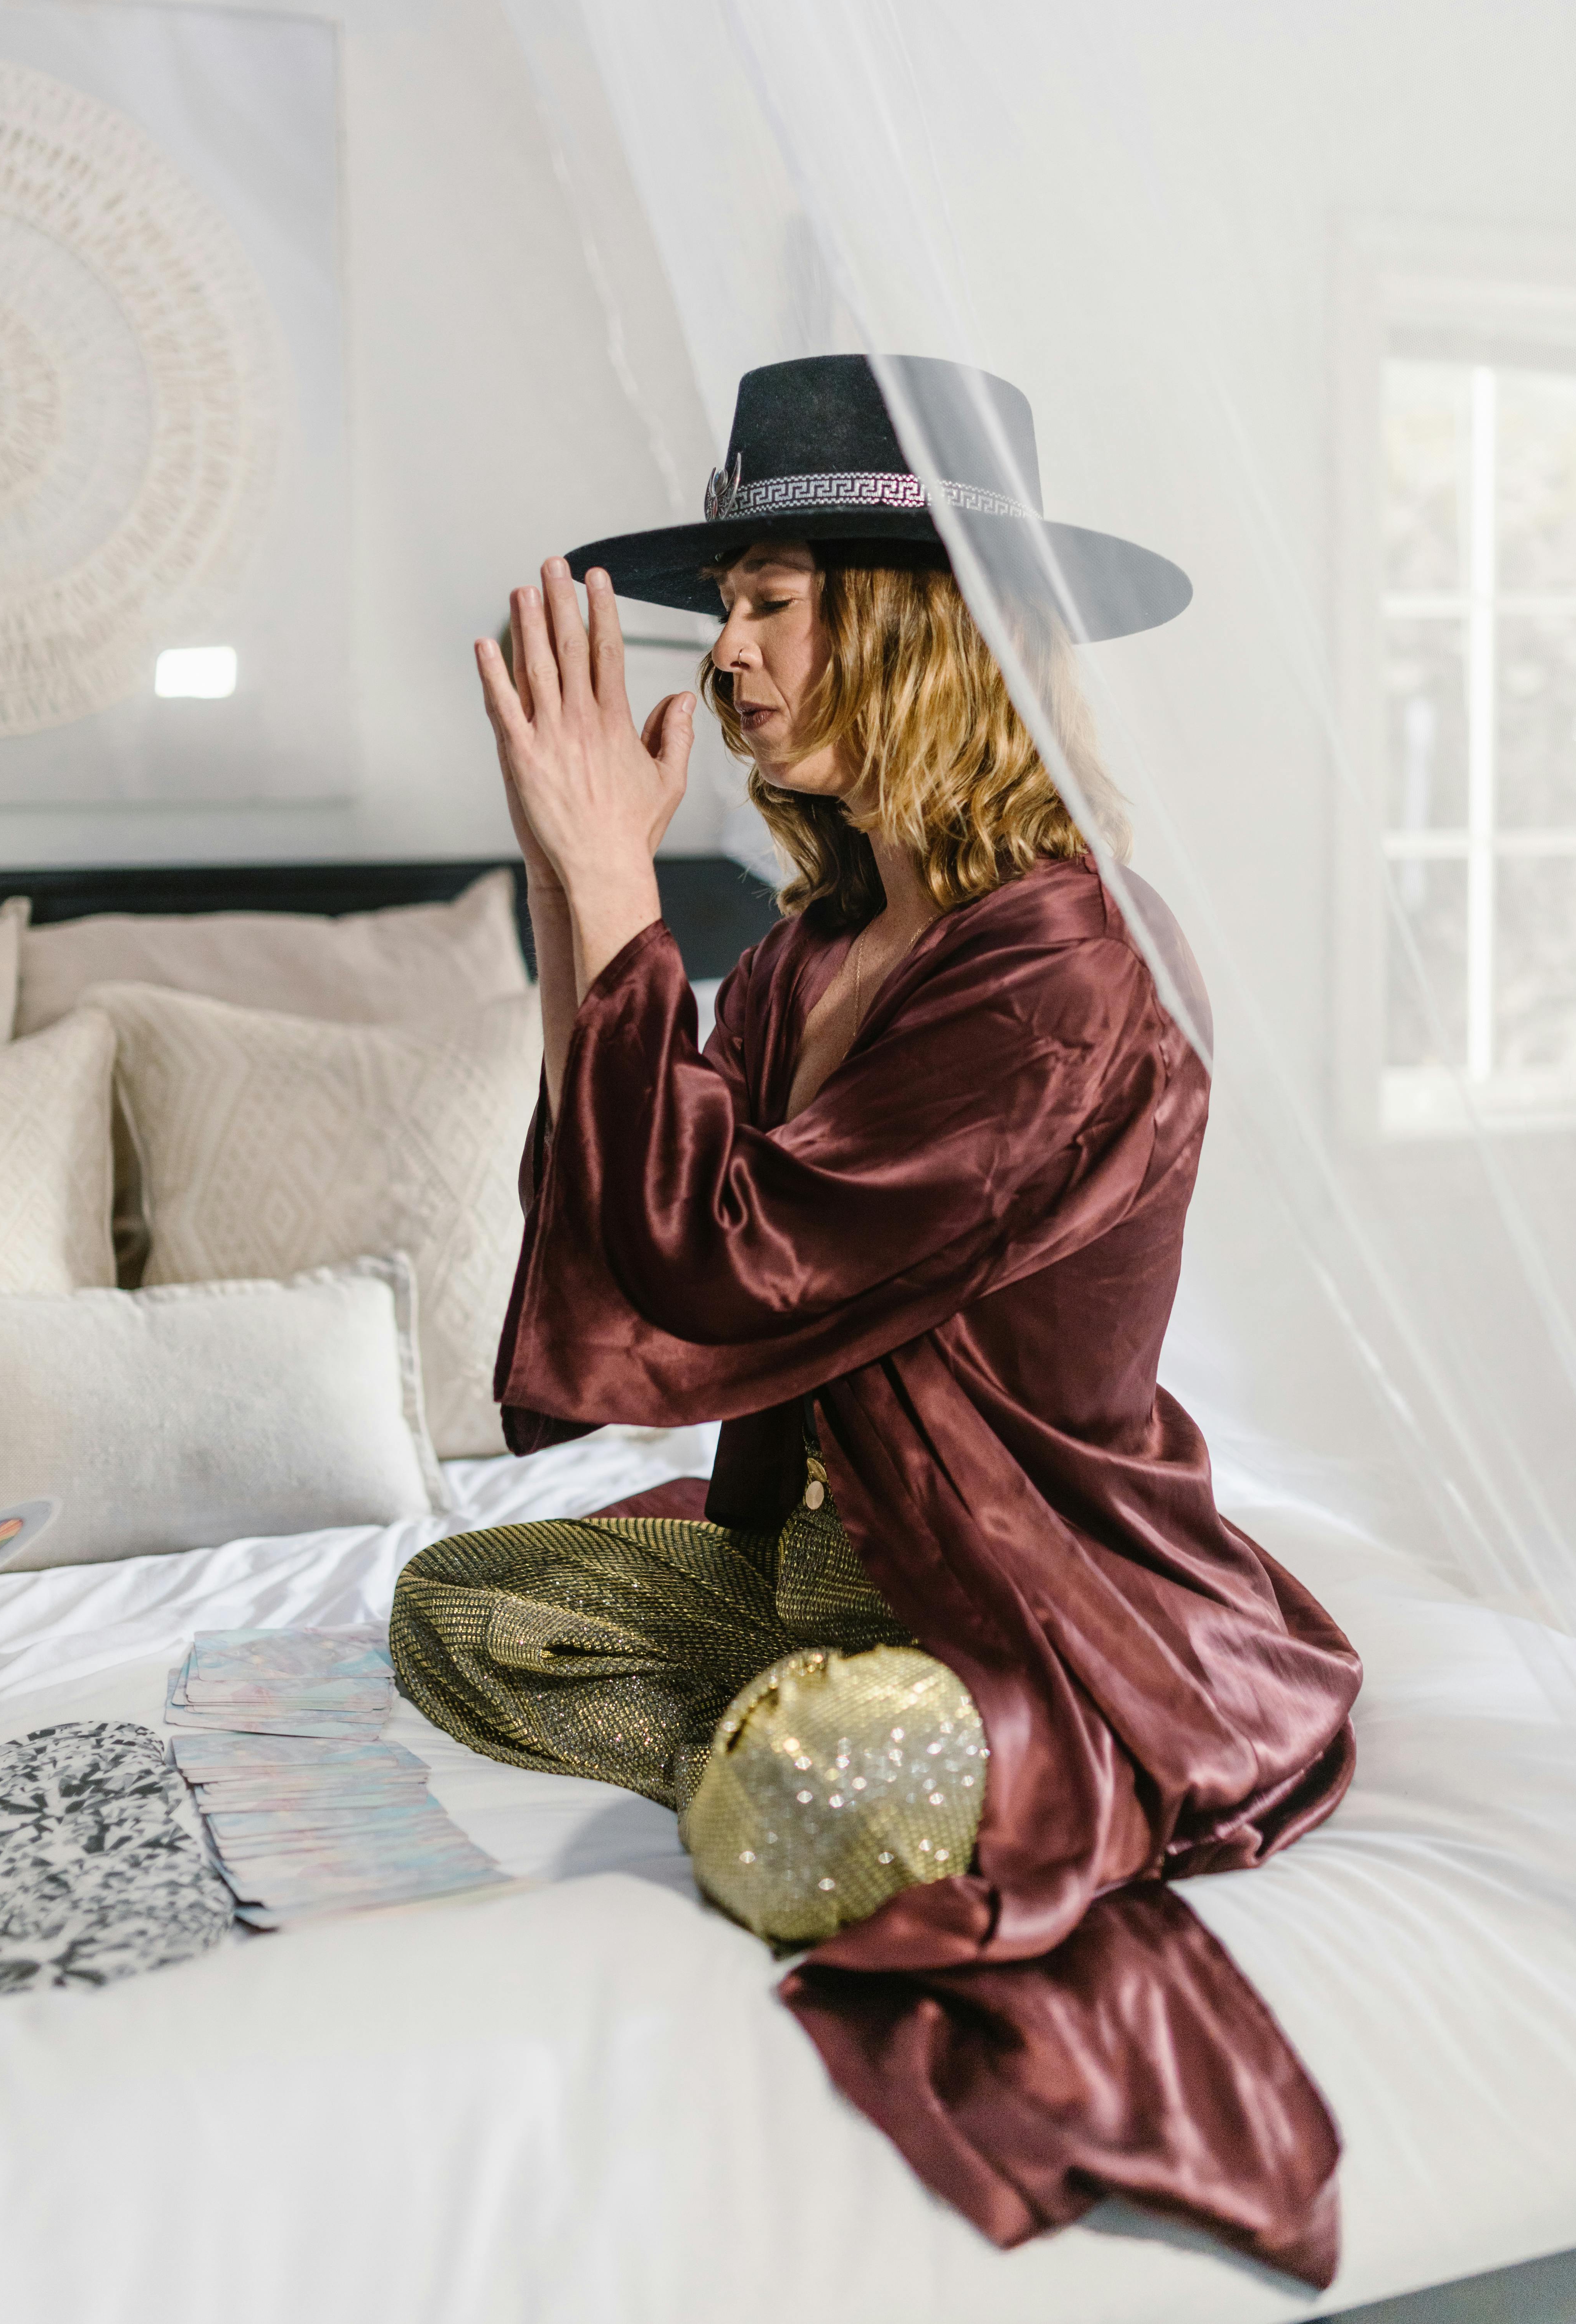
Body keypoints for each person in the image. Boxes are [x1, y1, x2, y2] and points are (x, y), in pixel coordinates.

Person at [391, 356, 1360, 2284]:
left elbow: (724, 1263)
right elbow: (621, 1212)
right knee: (458, 1606)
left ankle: (893, 1755)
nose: (728, 655)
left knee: (786, 1799)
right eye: (724, 607)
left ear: (920, 626)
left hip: (1052, 1611)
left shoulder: (1076, 964)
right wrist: (571, 879)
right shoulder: (810, 953)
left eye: (769, 599)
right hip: (843, 1565)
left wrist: (607, 874)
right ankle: (821, 1724)